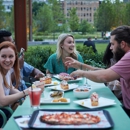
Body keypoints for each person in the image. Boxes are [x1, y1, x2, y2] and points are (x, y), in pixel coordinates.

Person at [65, 25, 130, 117]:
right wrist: (80, 65)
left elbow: (104, 76)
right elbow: (107, 72)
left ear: (123, 44)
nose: (110, 48)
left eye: (112, 44)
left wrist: (82, 73)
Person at [0, 41, 29, 127]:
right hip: (2, 116)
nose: (7, 60)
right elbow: (2, 101)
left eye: (11, 56)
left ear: (15, 57)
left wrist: (28, 95)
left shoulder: (7, 70)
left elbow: (11, 88)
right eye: (3, 56)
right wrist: (25, 93)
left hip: (5, 113)